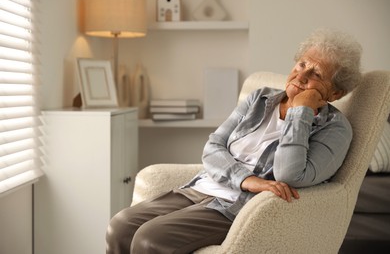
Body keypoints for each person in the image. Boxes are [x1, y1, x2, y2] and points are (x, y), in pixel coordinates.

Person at [106, 28, 363, 254]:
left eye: (316, 73)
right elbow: (213, 147)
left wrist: (301, 112)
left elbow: (291, 175)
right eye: (302, 64)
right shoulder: (260, 98)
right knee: (120, 225)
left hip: (237, 207)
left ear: (335, 92)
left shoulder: (336, 129)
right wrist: (247, 180)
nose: (302, 75)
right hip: (204, 187)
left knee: (150, 239)